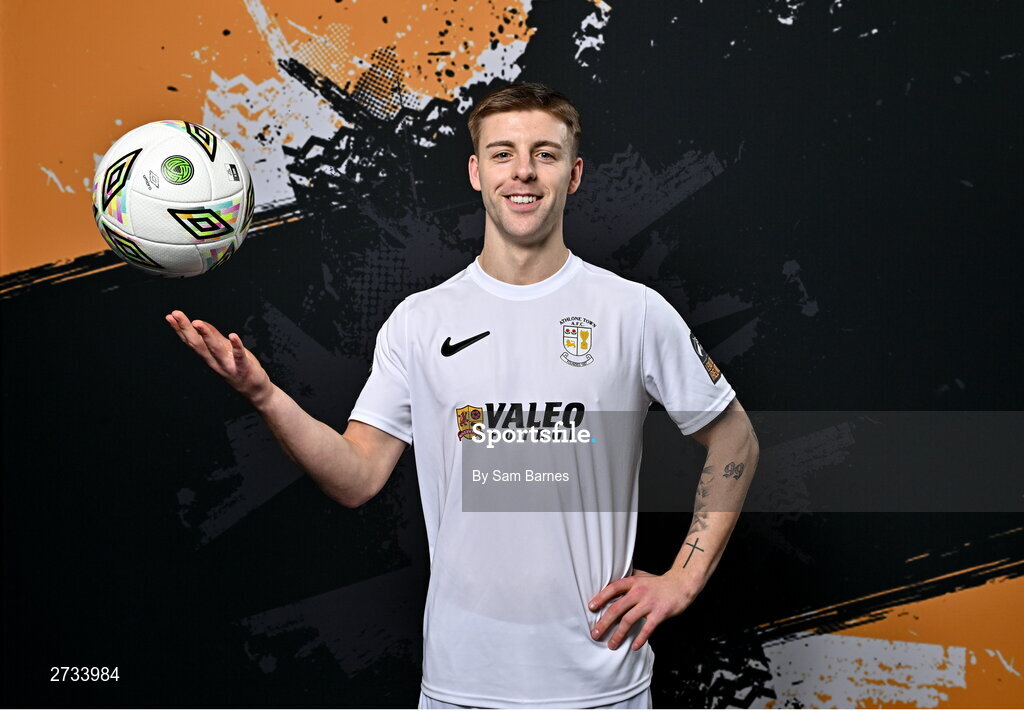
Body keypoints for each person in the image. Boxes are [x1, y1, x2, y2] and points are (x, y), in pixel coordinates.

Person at [166, 82, 759, 709]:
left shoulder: (633, 312)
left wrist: (683, 579)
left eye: (545, 154)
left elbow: (735, 438)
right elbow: (357, 477)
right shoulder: (419, 322)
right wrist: (264, 396)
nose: (523, 171)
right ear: (476, 173)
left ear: (575, 174)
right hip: (462, 687)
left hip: (601, 688)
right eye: (502, 154)